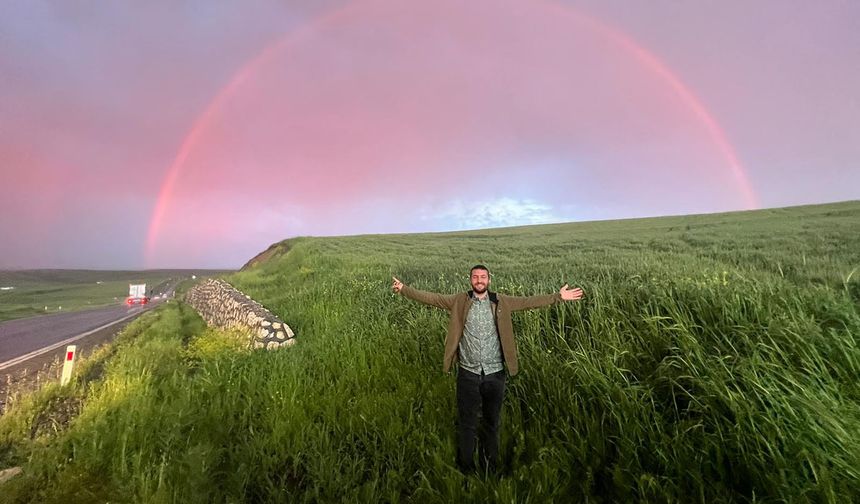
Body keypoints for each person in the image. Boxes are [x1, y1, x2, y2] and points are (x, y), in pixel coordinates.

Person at [391, 265, 584, 474]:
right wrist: (404, 289)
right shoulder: (459, 301)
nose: (479, 280)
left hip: (495, 374)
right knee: (467, 424)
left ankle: (490, 468)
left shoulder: (501, 301)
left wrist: (558, 296)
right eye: (475, 277)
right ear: (470, 280)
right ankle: (466, 470)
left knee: (492, 423)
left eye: (483, 277)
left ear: (489, 280)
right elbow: (432, 298)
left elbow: (529, 302)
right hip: (468, 374)